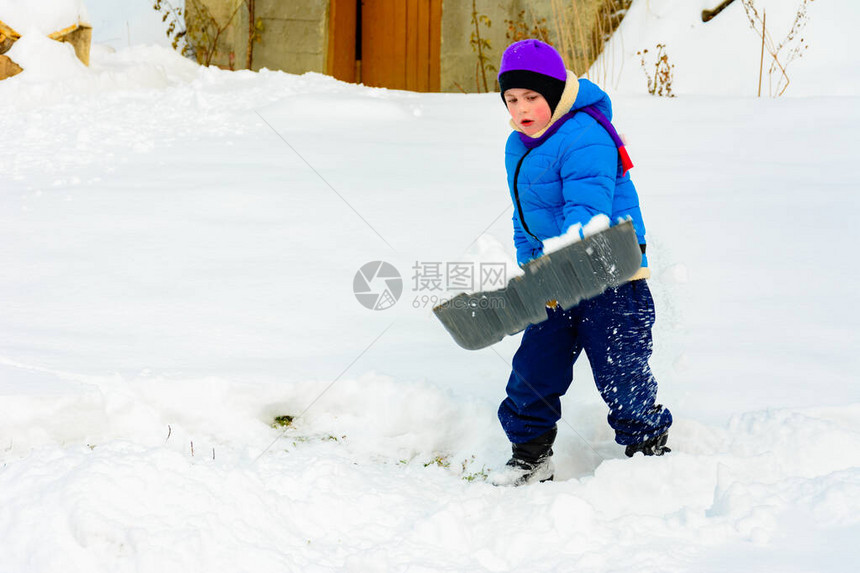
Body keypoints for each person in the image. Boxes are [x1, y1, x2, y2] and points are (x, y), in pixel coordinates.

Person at [491, 39, 673, 487]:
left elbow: (586, 214)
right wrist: (534, 267)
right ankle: (530, 457)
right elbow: (525, 213)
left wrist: (558, 264)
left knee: (620, 370)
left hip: (611, 274)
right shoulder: (520, 143)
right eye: (512, 99)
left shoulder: (585, 134)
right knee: (535, 367)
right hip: (557, 277)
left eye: (532, 97)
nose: (522, 108)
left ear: (554, 94)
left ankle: (649, 452)